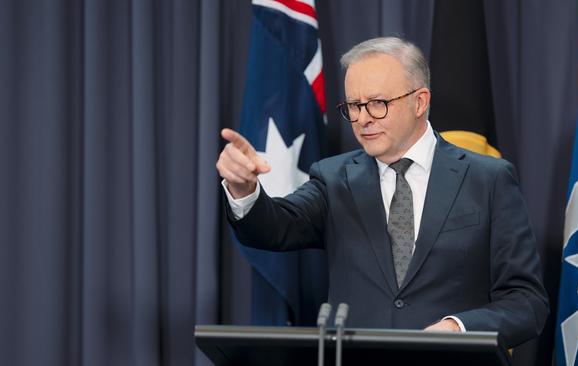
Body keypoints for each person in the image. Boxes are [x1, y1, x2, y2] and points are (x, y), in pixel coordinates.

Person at [216, 37, 548, 348]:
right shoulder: (334, 179)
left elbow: (526, 301)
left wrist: (457, 328)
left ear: (420, 102)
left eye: (377, 104)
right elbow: (276, 227)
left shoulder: (488, 179)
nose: (362, 119)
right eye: (353, 106)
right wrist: (244, 190)